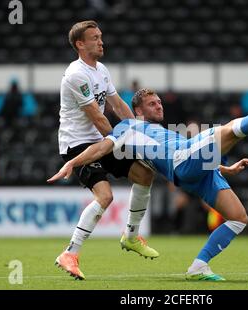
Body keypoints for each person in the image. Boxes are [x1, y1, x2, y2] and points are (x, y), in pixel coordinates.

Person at [48, 73, 248, 281]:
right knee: (230, 129)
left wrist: (224, 169)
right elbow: (102, 147)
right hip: (182, 162)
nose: (159, 105)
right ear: (137, 111)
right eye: (152, 103)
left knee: (239, 218)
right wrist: (73, 162)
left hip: (197, 170)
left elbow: (190, 157)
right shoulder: (128, 127)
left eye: (159, 101)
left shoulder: (161, 131)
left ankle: (198, 266)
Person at [55, 20, 158, 280]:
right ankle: (70, 253)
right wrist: (124, 140)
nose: (101, 41)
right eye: (95, 38)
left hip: (101, 140)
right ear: (80, 44)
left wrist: (140, 130)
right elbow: (99, 119)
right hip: (78, 143)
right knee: (105, 196)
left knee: (145, 175)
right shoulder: (76, 74)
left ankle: (131, 236)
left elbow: (118, 106)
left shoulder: (100, 69)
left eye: (101, 37)